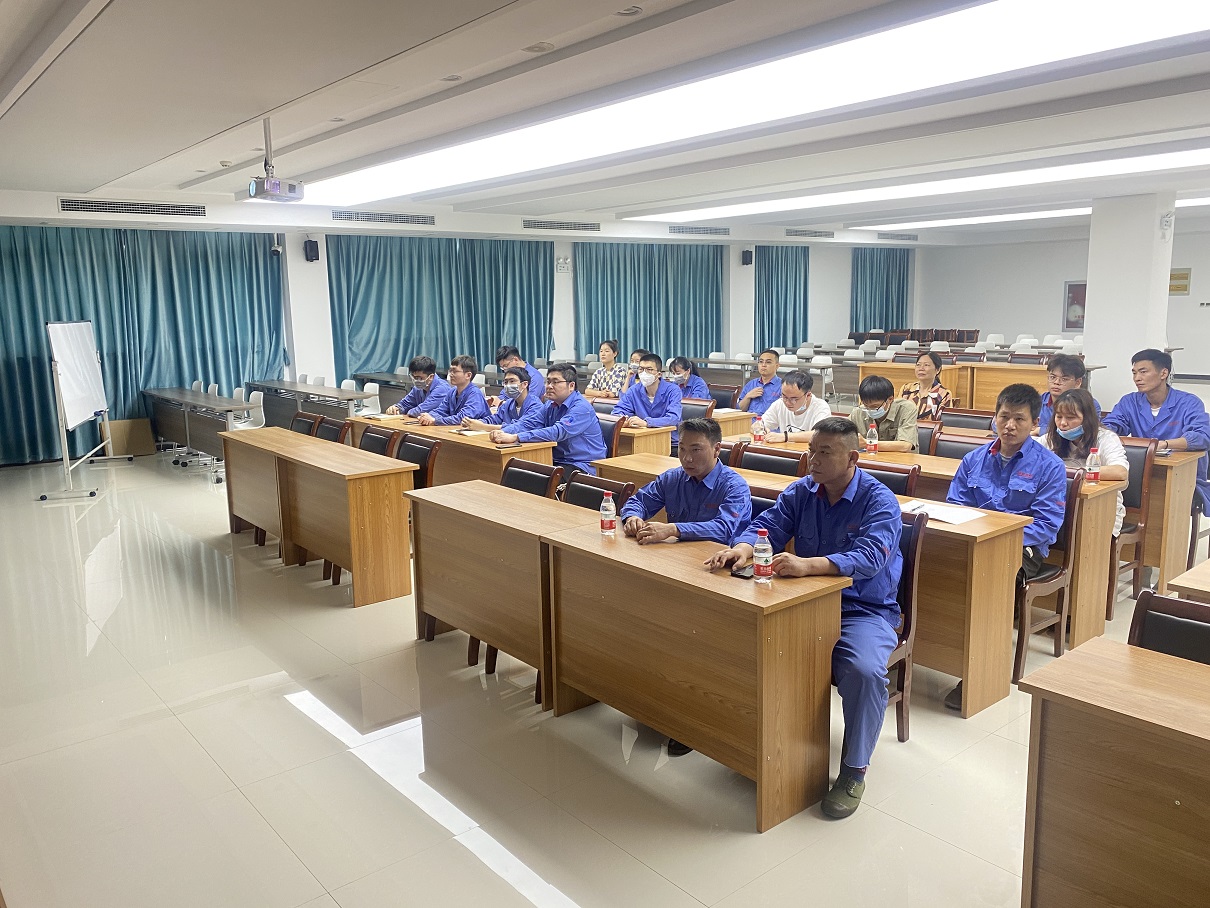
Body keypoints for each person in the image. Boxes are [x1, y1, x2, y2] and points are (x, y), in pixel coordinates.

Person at [706, 418, 903, 819]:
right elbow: (768, 526)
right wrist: (744, 548)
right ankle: (766, 746)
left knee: (864, 671)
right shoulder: (802, 490)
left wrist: (810, 564)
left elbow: (870, 557)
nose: (813, 460)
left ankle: (853, 771)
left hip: (860, 609)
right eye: (811, 451)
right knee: (744, 640)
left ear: (853, 458)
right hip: (802, 603)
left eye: (824, 453)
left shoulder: (879, 500)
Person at [621, 416, 753, 757]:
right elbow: (638, 501)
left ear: (717, 449)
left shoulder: (734, 485)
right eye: (681, 449)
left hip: (719, 579)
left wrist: (674, 529)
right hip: (678, 570)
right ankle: (657, 700)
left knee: (691, 639)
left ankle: (694, 718)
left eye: (696, 450)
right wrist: (632, 517)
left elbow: (725, 528)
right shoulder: (673, 478)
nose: (687, 458)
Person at [944, 383, 1067, 710]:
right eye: (1004, 417)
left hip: (1024, 549)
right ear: (994, 418)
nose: (1010, 426)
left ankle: (978, 672)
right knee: (929, 568)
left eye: (1019, 419)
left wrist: (999, 539)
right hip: (973, 540)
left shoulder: (1049, 466)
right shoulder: (973, 459)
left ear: (1035, 423)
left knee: (992, 581)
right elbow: (955, 506)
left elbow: (1046, 525)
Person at [1103, 348, 1210, 512]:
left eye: (1143, 372)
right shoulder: (1130, 402)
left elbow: (1201, 437)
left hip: (1184, 477)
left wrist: (1164, 444)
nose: (1137, 378)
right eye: (1134, 373)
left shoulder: (1189, 403)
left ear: (1163, 373)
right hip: (1140, 473)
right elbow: (1110, 427)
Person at [490, 362, 607, 475]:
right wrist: (503, 432)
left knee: (532, 480)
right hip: (557, 461)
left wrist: (516, 437)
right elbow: (529, 423)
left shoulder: (581, 408)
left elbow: (556, 432)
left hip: (582, 465)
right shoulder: (550, 405)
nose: (549, 386)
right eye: (548, 381)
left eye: (555, 382)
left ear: (571, 386)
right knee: (516, 471)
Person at [1040, 388, 1128, 535]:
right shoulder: (1051, 438)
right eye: (1059, 416)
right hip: (1059, 505)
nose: (1063, 423)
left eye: (1071, 417)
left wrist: (1077, 475)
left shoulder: (1106, 438)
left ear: (1087, 418)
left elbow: (1120, 472)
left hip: (1101, 509)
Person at [612, 352, 684, 446]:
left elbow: (673, 418)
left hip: (670, 442)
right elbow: (617, 411)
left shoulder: (673, 390)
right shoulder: (634, 390)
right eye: (641, 369)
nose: (644, 373)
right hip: (641, 440)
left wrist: (647, 423)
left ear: (659, 374)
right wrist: (624, 420)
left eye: (649, 369)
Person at [848, 375, 917, 452]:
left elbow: (905, 446)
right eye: (866, 406)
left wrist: (867, 443)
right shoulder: (858, 412)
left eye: (875, 406)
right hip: (869, 458)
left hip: (901, 458)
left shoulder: (906, 409)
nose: (870, 410)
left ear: (890, 399)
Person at [759, 370, 832, 443]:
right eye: (784, 396)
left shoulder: (820, 407)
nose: (787, 402)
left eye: (794, 399)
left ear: (808, 395)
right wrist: (760, 428)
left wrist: (785, 436)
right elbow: (759, 424)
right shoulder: (779, 404)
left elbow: (821, 434)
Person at [1036, 354, 1100, 435]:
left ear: (1077, 383)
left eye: (1064, 379)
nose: (1056, 382)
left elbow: (1088, 432)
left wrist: (1041, 430)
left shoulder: (1088, 404)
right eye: (1053, 377)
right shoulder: (1037, 401)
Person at [418, 355, 490, 425]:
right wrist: (428, 416)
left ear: (468, 375)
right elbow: (440, 410)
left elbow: (463, 418)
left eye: (454, 371)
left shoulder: (475, 394)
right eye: (450, 371)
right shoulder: (452, 392)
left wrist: (435, 420)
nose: (450, 374)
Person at [462, 366, 542, 428]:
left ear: (524, 384)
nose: (508, 385)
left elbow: (518, 427)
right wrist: (474, 422)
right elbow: (494, 419)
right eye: (506, 382)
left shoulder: (535, 405)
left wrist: (483, 427)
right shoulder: (508, 404)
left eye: (512, 381)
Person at [385, 355, 454, 417]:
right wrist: (396, 408)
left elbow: (421, 410)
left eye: (419, 378)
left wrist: (408, 412)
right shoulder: (418, 388)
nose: (416, 380)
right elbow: (406, 403)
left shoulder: (442, 389)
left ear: (431, 377)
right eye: (413, 377)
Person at [900, 351, 953, 420]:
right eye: (918, 365)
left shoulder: (944, 394)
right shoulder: (907, 388)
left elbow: (944, 421)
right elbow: (896, 413)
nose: (921, 368)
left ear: (937, 370)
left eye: (926, 365)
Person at [738, 350, 782, 416]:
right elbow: (739, 410)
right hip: (748, 420)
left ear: (777, 366)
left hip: (768, 422)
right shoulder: (751, 384)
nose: (763, 365)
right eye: (761, 362)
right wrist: (748, 396)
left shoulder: (782, 386)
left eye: (768, 362)